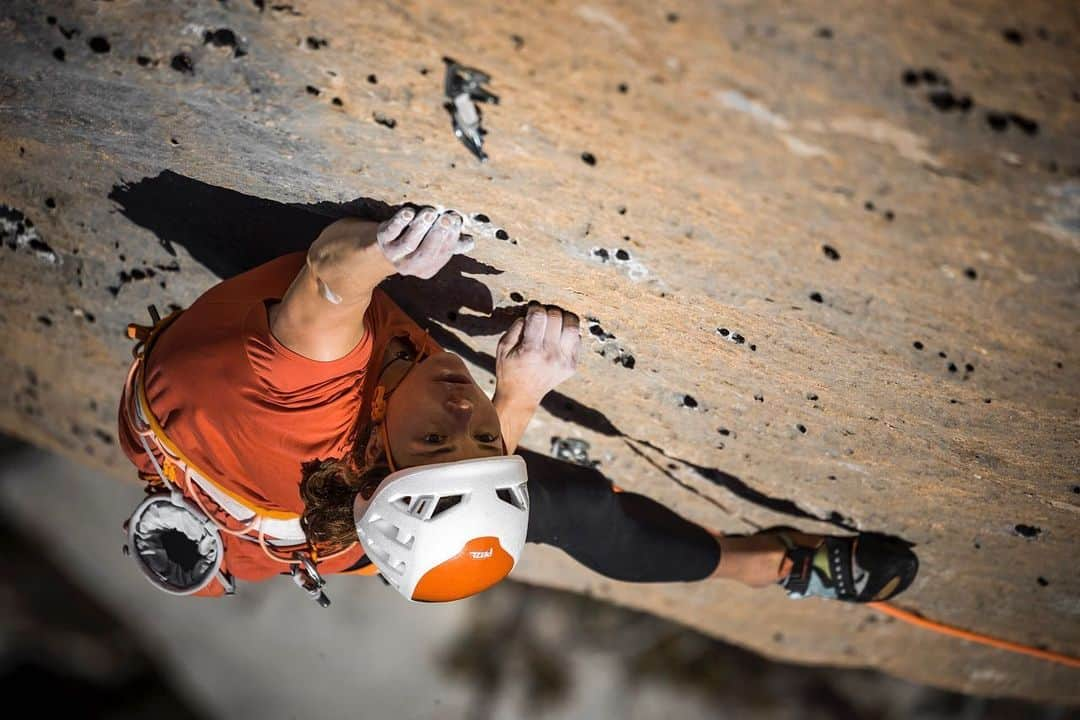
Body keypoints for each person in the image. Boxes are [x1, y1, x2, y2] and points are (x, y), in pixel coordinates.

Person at [117, 205, 917, 605]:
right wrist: (520, 391)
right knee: (565, 507)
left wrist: (387, 249)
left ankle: (762, 562)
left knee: (558, 500)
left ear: (371, 464)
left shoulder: (292, 394)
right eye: (481, 437)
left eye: (436, 434)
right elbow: (473, 455)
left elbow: (328, 274)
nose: (466, 406)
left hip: (211, 421)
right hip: (287, 531)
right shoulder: (372, 519)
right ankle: (773, 563)